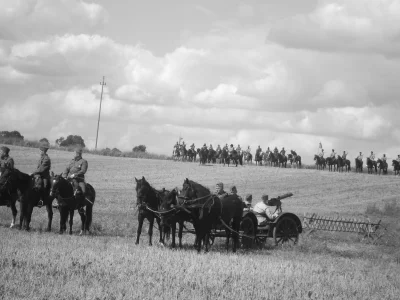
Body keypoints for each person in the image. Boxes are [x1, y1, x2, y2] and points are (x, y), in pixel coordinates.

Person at [59, 146, 88, 212]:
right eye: (75, 153)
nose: (75, 154)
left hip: (79, 179)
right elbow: (66, 169)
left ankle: (81, 206)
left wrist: (75, 174)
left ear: (79, 154)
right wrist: (64, 176)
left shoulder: (84, 161)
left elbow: (83, 171)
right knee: (60, 187)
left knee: (83, 191)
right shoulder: (72, 161)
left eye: (77, 153)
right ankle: (59, 202)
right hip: (69, 178)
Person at [31, 141, 51, 207]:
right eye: (41, 150)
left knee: (44, 187)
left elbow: (42, 168)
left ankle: (42, 200)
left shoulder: (46, 159)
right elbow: (38, 167)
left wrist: (34, 172)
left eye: (42, 150)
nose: (41, 152)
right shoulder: (41, 158)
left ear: (44, 151)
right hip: (39, 175)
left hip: (45, 176)